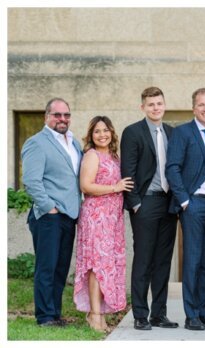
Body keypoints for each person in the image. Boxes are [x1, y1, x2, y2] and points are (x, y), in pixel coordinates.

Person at [165, 88, 205, 331]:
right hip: (195, 203)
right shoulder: (183, 132)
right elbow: (173, 168)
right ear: (194, 108)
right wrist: (185, 201)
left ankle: (203, 311)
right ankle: (191, 316)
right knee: (192, 259)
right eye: (201, 105)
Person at [120, 86, 179, 330]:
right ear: (142, 107)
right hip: (145, 203)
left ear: (164, 105)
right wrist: (135, 204)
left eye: (159, 103)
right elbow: (128, 170)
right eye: (151, 104)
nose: (156, 108)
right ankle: (140, 315)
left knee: (163, 260)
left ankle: (159, 313)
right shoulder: (133, 132)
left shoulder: (171, 132)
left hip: (168, 203)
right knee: (144, 259)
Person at [22, 98, 82, 327]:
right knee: (47, 267)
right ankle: (45, 316)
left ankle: (55, 313)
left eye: (66, 115)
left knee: (60, 267)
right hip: (49, 217)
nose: (62, 119)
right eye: (57, 115)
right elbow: (31, 181)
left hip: (69, 216)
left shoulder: (73, 142)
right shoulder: (36, 142)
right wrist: (50, 208)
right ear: (47, 116)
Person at [74, 116, 132, 331]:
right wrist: (114, 188)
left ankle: (99, 314)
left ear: (111, 133)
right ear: (91, 135)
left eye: (105, 130)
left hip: (113, 219)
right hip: (96, 217)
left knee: (107, 267)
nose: (102, 135)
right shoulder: (92, 155)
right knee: (97, 267)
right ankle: (95, 315)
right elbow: (86, 186)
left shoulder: (115, 156)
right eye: (97, 131)